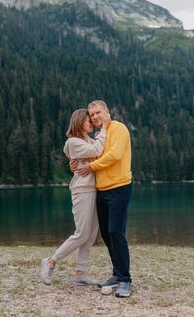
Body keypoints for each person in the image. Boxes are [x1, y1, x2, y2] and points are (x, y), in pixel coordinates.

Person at [40, 108, 110, 286]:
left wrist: (76, 160)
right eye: (88, 119)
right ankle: (50, 262)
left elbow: (93, 152)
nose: (91, 122)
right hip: (82, 189)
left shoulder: (85, 140)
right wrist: (104, 129)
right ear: (79, 122)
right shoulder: (74, 141)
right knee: (81, 234)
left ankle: (80, 273)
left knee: (91, 235)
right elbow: (94, 149)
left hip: (93, 189)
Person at [76, 100, 132, 298]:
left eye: (98, 112)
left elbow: (115, 155)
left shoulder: (119, 128)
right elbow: (92, 155)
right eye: (92, 115)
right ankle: (117, 275)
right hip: (102, 190)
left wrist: (91, 166)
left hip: (119, 187)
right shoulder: (100, 135)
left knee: (116, 232)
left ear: (107, 112)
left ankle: (125, 280)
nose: (95, 117)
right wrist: (78, 162)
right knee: (107, 234)